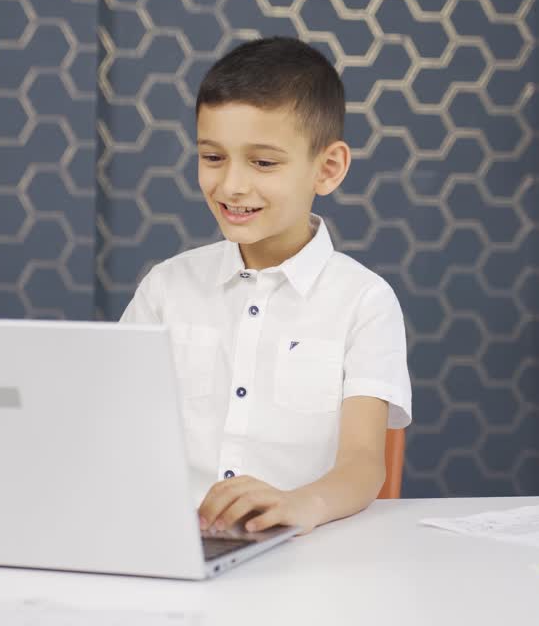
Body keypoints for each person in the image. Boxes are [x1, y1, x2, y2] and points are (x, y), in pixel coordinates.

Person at [120, 36, 412, 536]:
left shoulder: (364, 301)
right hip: (170, 540)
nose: (232, 185)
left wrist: (302, 505)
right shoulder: (166, 287)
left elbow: (365, 463)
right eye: (213, 157)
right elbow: (111, 423)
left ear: (328, 168)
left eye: (263, 163)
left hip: (301, 551)